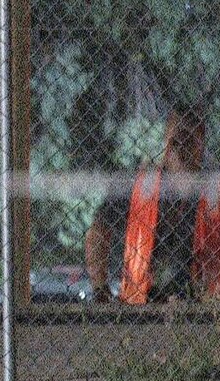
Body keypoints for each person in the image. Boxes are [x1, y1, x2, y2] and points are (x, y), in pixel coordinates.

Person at [85, 105, 220, 304]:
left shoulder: (213, 190)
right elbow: (98, 231)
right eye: (175, 141)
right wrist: (100, 289)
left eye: (189, 141)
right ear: (165, 142)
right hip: (141, 306)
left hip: (201, 308)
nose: (181, 149)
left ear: (201, 147)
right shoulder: (139, 184)